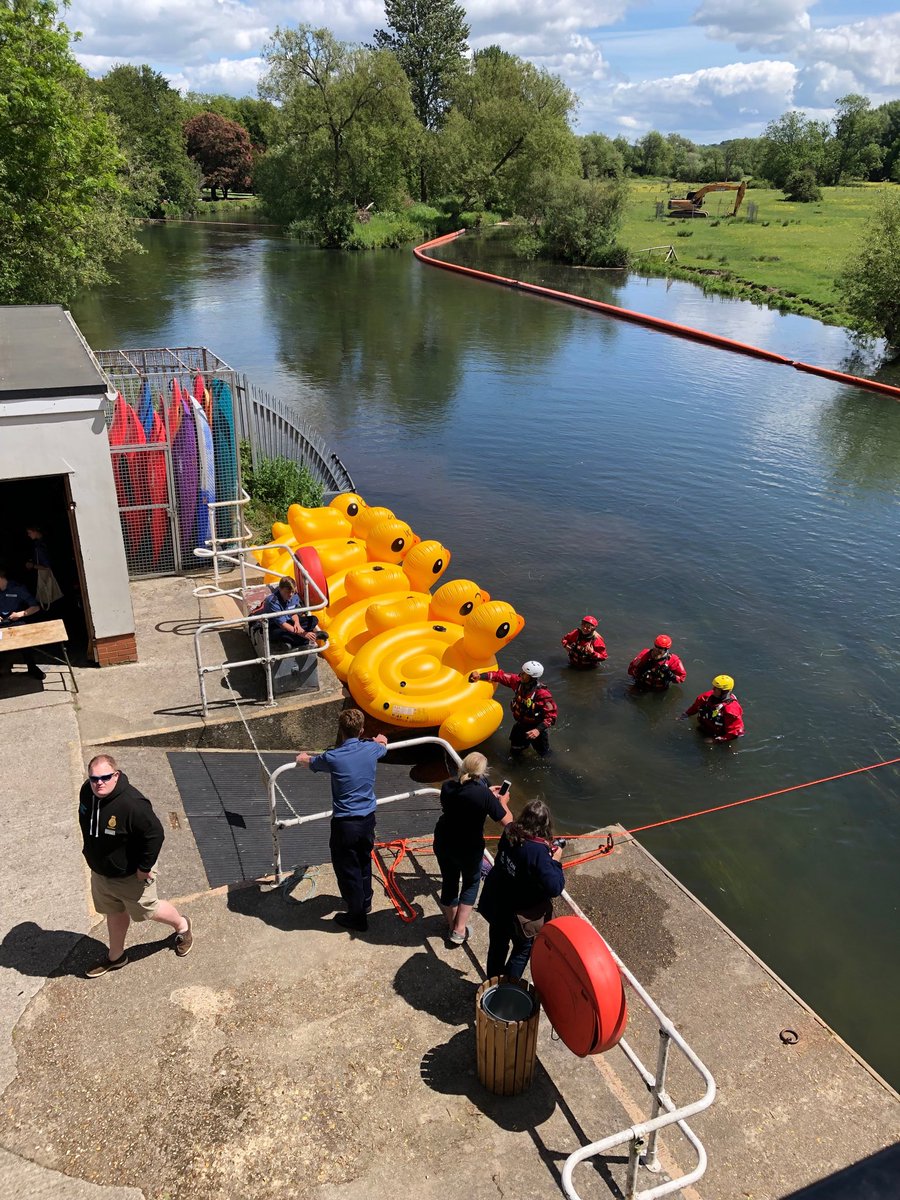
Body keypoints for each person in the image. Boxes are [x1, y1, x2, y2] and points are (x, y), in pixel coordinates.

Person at [78, 754, 193, 977]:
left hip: (131, 876)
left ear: (116, 775)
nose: (98, 783)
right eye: (94, 778)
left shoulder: (133, 804)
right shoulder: (87, 791)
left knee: (149, 910)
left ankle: (182, 926)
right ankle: (116, 957)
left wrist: (144, 867)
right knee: (113, 910)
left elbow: (155, 834)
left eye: (105, 777)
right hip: (101, 873)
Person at [296, 708, 388, 932]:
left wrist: (301, 758)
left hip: (346, 824)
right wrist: (380, 739)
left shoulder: (332, 757)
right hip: (368, 820)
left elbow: (309, 762)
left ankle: (357, 917)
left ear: (341, 731)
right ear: (362, 730)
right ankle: (365, 901)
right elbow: (383, 745)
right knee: (364, 860)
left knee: (348, 870)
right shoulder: (372, 749)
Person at [478, 799, 565, 980]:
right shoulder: (538, 853)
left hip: (497, 901)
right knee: (522, 949)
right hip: (519, 913)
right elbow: (555, 887)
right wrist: (555, 861)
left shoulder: (509, 830)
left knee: (497, 946)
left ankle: (492, 983)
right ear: (546, 825)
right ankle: (508, 987)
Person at [434, 753, 513, 946]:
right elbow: (509, 824)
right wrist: (501, 802)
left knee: (449, 880)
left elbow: (466, 797)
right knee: (471, 882)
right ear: (482, 773)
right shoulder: (484, 795)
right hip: (469, 847)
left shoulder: (447, 787)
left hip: (444, 840)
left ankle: (451, 924)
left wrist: (487, 793)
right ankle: (459, 930)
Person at [468, 661, 557, 757]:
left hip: (536, 728)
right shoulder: (518, 682)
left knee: (544, 755)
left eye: (525, 674)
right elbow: (499, 676)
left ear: (532, 678)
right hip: (521, 726)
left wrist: (538, 730)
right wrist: (480, 676)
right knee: (514, 751)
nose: (521, 675)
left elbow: (551, 716)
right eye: (522, 672)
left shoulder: (543, 694)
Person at [0, 566, 45, 681]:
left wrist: (20, 614)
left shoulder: (17, 588)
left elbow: (35, 607)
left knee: (25, 642)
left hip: (15, 622)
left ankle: (32, 667)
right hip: (1, 624)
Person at [263, 576, 325, 650]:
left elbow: (293, 612)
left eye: (292, 591)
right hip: (276, 626)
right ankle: (309, 637)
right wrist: (303, 634)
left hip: (289, 621)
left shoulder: (294, 595)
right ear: (280, 589)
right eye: (287, 592)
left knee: (313, 620)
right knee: (279, 633)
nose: (290, 594)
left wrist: (297, 623)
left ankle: (292, 641)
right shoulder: (273, 601)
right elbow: (283, 625)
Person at [681, 674, 745, 742]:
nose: (713, 689)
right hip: (704, 727)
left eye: (716, 688)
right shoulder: (705, 697)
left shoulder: (731, 710)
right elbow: (694, 708)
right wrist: (685, 715)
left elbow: (733, 733)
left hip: (719, 735)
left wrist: (715, 740)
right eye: (714, 687)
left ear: (725, 691)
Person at [25, 524, 63, 610]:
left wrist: (33, 565)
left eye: (29, 532)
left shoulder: (40, 546)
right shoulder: (42, 543)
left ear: (35, 531)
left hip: (45, 575)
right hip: (52, 575)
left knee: (47, 597)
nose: (28, 535)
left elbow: (47, 566)